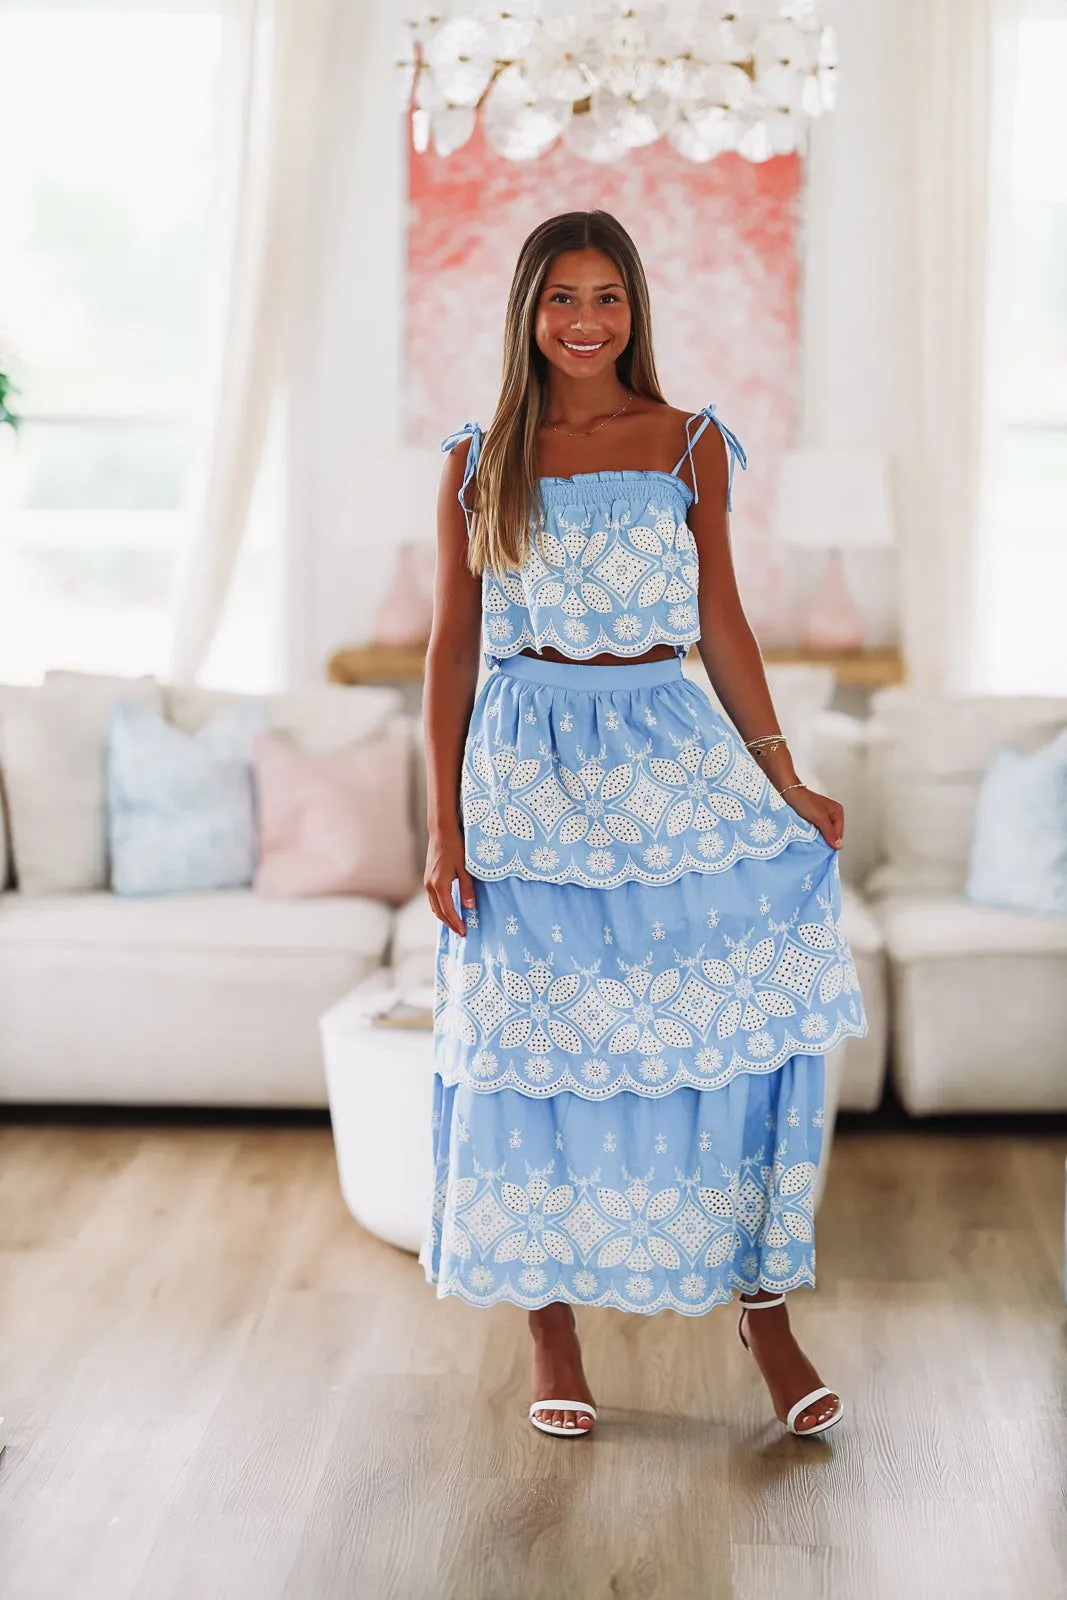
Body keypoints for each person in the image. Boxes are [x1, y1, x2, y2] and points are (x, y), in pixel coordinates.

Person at [419, 209, 868, 1441]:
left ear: (635, 309)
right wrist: (441, 828)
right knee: (530, 1045)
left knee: (730, 1026)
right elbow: (450, 652)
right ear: (526, 311)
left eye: (606, 296)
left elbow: (721, 620)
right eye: (561, 297)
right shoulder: (474, 459)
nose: (585, 321)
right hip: (522, 776)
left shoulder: (688, 443)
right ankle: (548, 1327)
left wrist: (783, 779)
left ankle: (764, 1313)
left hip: (668, 753)